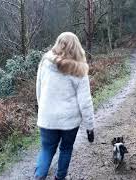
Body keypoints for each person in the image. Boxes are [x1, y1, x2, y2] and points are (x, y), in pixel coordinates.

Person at [35, 32, 95, 180]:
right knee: (66, 149)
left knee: (47, 150)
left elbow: (39, 88)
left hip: (47, 117)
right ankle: (60, 177)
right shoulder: (80, 69)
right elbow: (85, 102)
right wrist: (90, 126)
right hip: (69, 121)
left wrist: (42, 108)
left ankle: (38, 177)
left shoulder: (45, 61)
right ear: (77, 47)